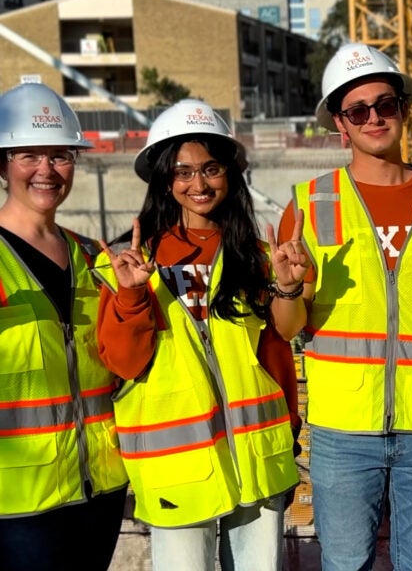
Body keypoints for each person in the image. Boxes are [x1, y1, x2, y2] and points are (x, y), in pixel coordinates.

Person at [275, 42, 412, 570]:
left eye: (385, 104)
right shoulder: (307, 207)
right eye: (357, 110)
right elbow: (287, 327)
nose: (374, 117)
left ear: (403, 111)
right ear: (339, 125)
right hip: (342, 431)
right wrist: (287, 287)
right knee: (346, 565)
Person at [93, 99, 308, 571]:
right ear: (165, 181)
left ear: (229, 174)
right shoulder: (131, 261)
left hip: (257, 452)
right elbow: (124, 362)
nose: (199, 184)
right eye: (183, 172)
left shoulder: (256, 254)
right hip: (175, 461)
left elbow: (285, 334)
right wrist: (131, 296)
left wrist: (288, 285)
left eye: (210, 169)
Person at [0, 83, 128, 570]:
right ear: (3, 164)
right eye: (29, 155)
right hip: (17, 501)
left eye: (60, 156)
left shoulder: (93, 257)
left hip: (100, 487)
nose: (46, 171)